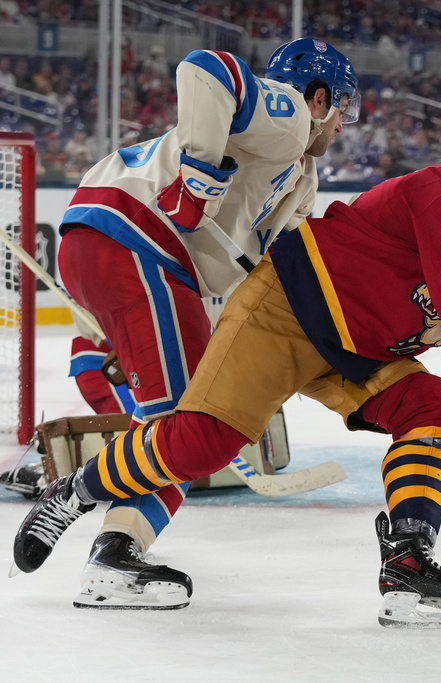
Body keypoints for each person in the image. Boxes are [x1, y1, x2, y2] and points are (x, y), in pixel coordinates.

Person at [13, 143, 441, 628]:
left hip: (360, 350)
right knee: (203, 442)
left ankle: (409, 564)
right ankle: (73, 492)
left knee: (431, 405)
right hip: (288, 309)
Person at [25, 38, 361, 610]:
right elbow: (207, 69)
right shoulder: (289, 114)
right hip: (137, 240)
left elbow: (262, 281)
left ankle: (113, 549)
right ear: (321, 98)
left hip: (125, 252)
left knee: (180, 435)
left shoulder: (300, 180)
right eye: (343, 109)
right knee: (188, 435)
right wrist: (200, 176)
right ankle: (84, 508)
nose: (342, 126)